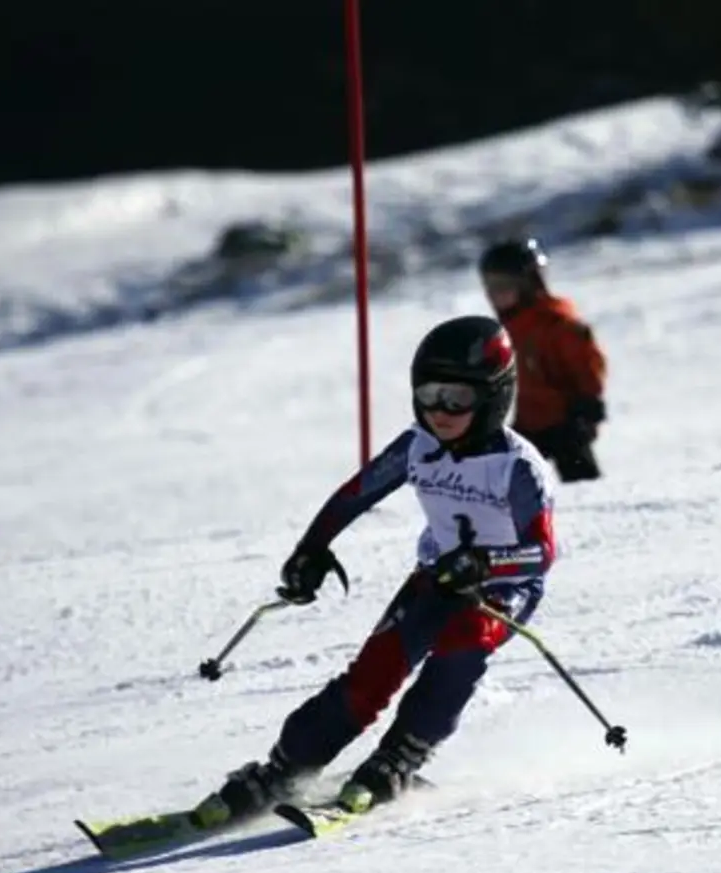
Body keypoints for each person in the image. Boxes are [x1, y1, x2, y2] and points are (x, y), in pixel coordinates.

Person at [190, 315, 558, 825]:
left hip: (502, 587)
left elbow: (541, 552)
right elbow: (354, 495)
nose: (440, 411)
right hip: (437, 576)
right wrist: (311, 549)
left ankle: (400, 757)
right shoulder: (417, 446)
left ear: (493, 397)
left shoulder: (517, 467)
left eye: (456, 398)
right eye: (429, 394)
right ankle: (285, 768)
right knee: (373, 672)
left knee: (462, 645)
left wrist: (485, 562)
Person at [477, 238, 608, 482]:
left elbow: (587, 365)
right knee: (500, 477)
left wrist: (588, 404)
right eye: (490, 286)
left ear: (529, 284)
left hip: (566, 421)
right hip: (530, 422)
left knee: (580, 479)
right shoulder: (511, 328)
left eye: (503, 285)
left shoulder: (558, 325)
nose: (495, 295)